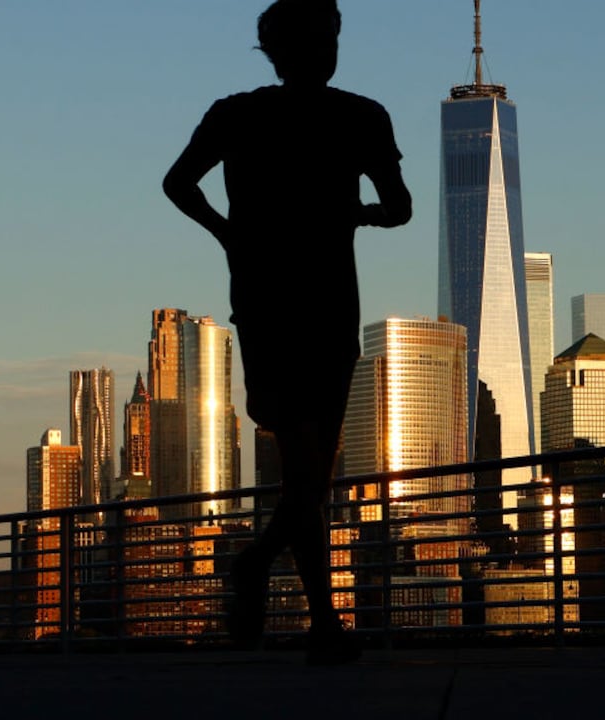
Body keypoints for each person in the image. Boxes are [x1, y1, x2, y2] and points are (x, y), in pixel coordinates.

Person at [162, 0, 412, 663]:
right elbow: (401, 207)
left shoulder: (236, 115)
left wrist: (229, 237)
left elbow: (177, 183)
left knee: (306, 470)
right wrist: (352, 215)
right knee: (310, 472)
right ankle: (295, 598)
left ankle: (311, 610)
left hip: (267, 302)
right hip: (324, 305)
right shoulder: (361, 116)